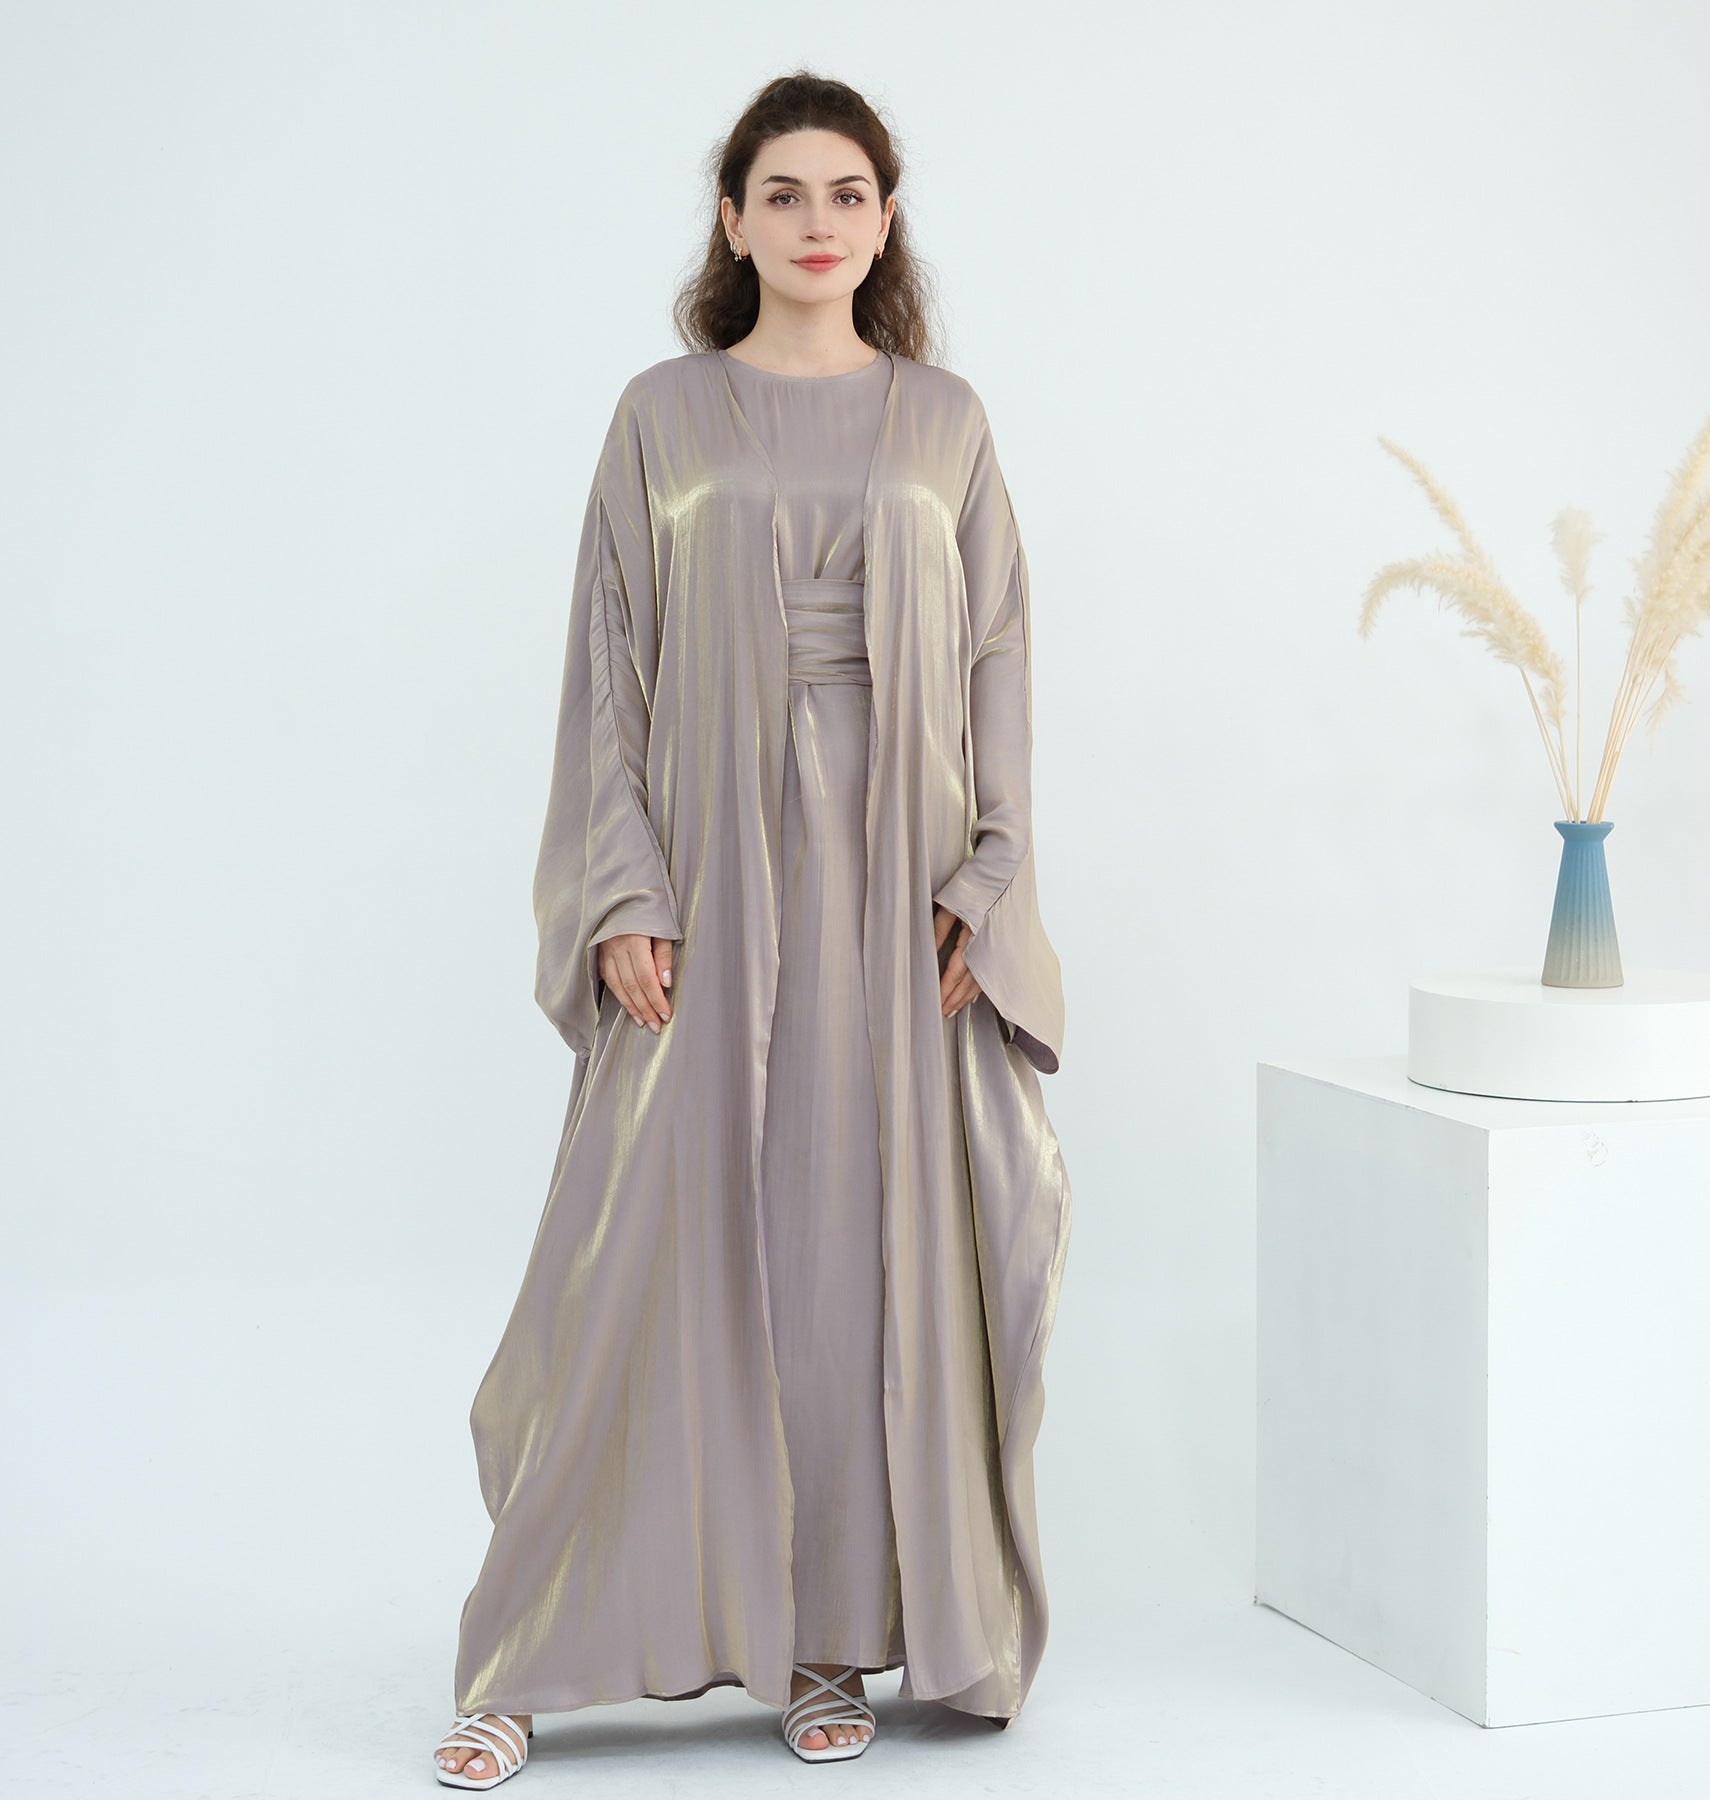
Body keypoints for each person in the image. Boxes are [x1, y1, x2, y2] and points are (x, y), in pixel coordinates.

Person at [433, 70, 1072, 1789]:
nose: (815, 221)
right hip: (711, 881)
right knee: (640, 1248)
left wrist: (989, 875)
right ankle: (523, 1652)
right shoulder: (662, 415)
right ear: (732, 219)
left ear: (885, 219)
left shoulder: (946, 422)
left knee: (855, 1263)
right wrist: (623, 886)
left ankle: (826, 1635)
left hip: (894, 894)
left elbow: (1001, 655)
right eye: (781, 192)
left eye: (847, 193)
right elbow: (609, 664)